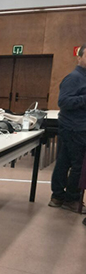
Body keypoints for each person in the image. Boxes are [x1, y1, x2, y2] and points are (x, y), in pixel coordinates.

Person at [49, 44, 86, 214]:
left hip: (76, 127)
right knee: (78, 165)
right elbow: (63, 102)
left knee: (64, 162)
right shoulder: (74, 78)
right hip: (74, 128)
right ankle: (71, 199)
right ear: (79, 58)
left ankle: (57, 197)